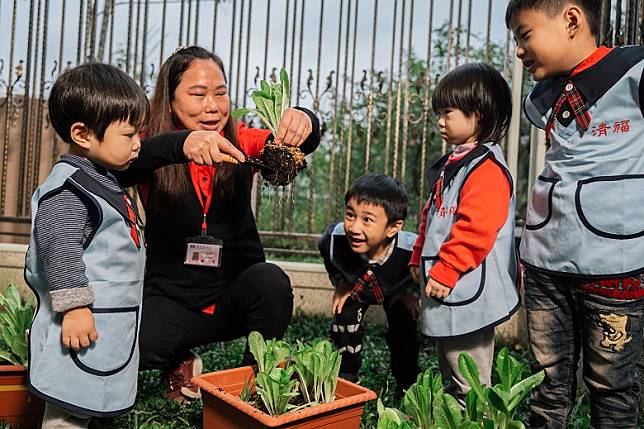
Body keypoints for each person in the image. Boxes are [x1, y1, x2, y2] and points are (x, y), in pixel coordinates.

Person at [24, 63, 245, 428]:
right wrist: (75, 307)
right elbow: (58, 248)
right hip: (82, 326)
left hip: (109, 327)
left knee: (96, 403)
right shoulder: (69, 190)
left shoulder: (104, 179)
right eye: (129, 135)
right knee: (69, 412)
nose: (138, 143)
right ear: (82, 134)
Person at [136, 46, 321, 402]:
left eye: (220, 93)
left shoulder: (240, 138)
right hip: (175, 299)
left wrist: (307, 121)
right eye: (198, 94)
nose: (213, 106)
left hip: (233, 295)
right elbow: (126, 164)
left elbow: (296, 145)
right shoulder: (151, 148)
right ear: (169, 100)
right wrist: (181, 144)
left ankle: (257, 377)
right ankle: (179, 360)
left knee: (271, 283)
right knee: (140, 347)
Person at [507, 1, 644, 427]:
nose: (518, 52)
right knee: (546, 383)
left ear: (571, 20)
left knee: (611, 387)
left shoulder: (634, 72)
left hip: (613, 267)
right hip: (545, 263)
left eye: (525, 36)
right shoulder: (544, 94)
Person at [409, 62, 519, 403]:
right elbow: (430, 217)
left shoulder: (486, 169)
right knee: (451, 369)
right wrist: (417, 258)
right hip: (449, 287)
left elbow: (476, 228)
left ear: (479, 114)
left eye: (448, 112)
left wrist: (447, 268)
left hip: (465, 288)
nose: (440, 121)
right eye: (438, 112)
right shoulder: (453, 165)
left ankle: (474, 421)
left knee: (469, 380)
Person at [318, 173, 421, 396]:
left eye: (367, 220)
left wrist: (410, 292)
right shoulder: (334, 239)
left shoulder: (411, 250)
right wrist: (341, 282)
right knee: (344, 312)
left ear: (393, 228)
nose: (354, 227)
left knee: (405, 321)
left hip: (396, 290)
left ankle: (407, 382)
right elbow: (328, 254)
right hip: (357, 286)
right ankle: (346, 374)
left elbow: (423, 272)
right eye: (350, 215)